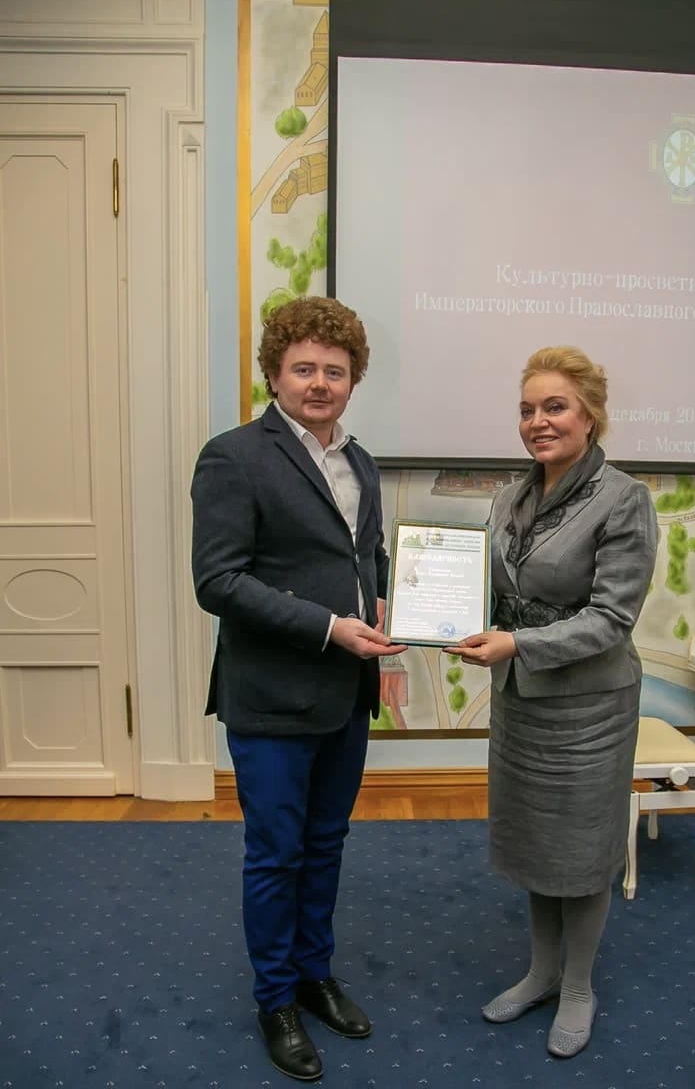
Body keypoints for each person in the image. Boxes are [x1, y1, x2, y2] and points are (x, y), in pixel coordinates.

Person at [191, 296, 405, 1082]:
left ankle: (315, 974)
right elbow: (218, 581)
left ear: (353, 380)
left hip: (347, 694)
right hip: (271, 697)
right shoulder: (233, 457)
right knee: (276, 854)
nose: (320, 383)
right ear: (275, 374)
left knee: (326, 844)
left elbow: (366, 556)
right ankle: (276, 999)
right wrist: (328, 626)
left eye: (335, 371)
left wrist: (386, 601)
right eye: (304, 368)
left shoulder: (361, 461)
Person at [447, 346, 657, 1059]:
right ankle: (541, 973)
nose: (538, 421)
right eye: (527, 409)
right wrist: (439, 614)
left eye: (555, 407)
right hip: (522, 701)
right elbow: (491, 588)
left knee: (582, 850)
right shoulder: (510, 496)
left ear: (590, 416)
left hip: (589, 707)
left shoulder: (623, 498)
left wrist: (515, 644)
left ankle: (578, 987)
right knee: (536, 843)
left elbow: (612, 619)